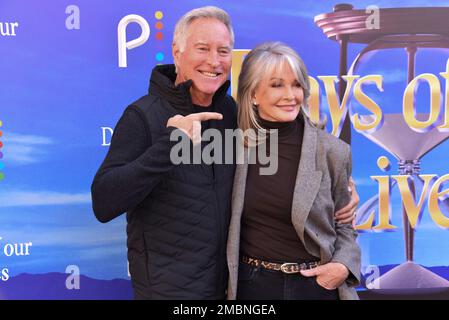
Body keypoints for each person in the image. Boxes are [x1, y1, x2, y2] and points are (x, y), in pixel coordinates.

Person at [91, 6, 358, 300]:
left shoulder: (232, 116)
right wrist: (170, 144)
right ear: (177, 52)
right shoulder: (143, 116)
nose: (213, 61)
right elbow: (104, 203)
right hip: (168, 294)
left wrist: (339, 198)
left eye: (223, 51)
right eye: (202, 48)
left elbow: (293, 179)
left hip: (229, 291)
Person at [226, 42, 361, 300]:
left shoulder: (333, 151)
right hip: (252, 286)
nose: (291, 95)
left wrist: (343, 265)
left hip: (316, 287)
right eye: (277, 85)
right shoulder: (232, 146)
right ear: (253, 94)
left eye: (297, 84)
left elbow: (346, 226)